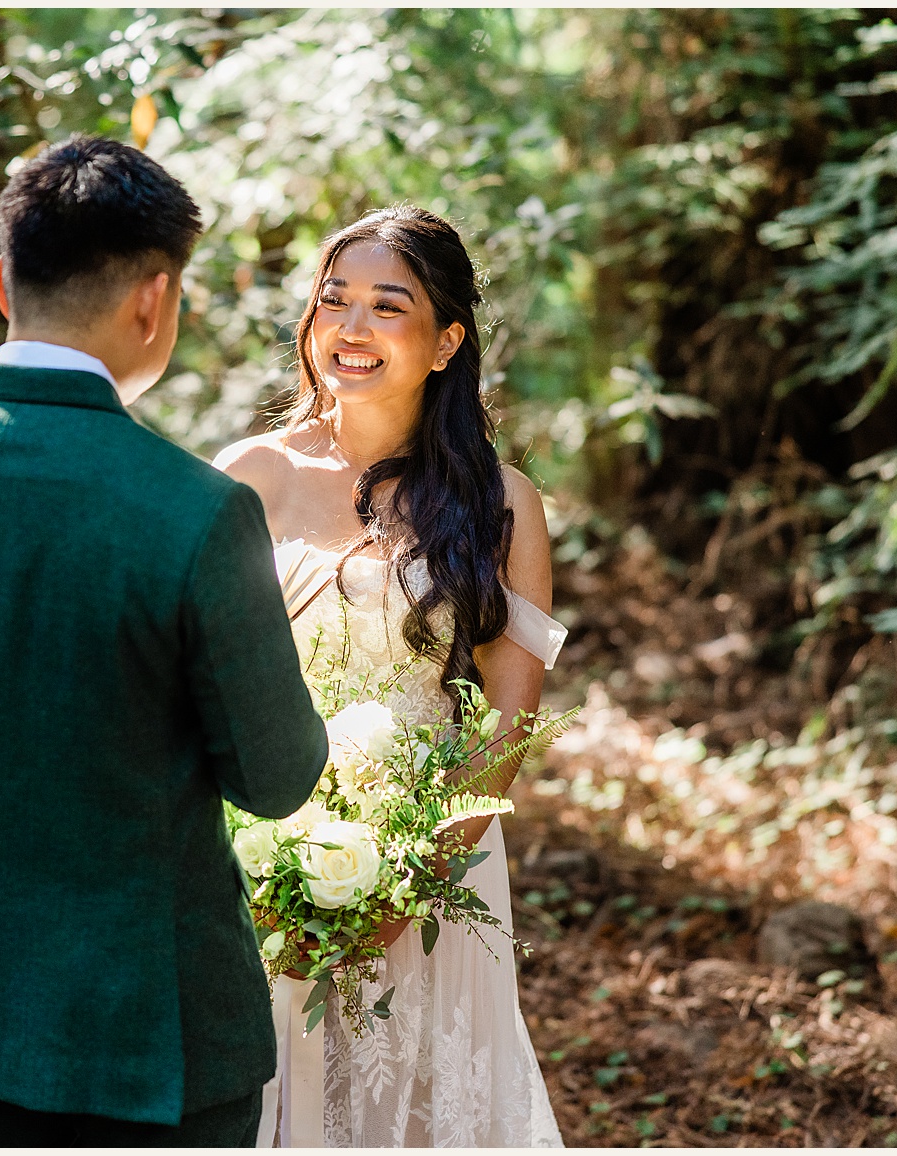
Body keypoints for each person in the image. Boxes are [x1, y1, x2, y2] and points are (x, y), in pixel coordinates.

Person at [0, 135, 330, 1145]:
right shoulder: (197, 511)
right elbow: (276, 777)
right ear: (155, 298)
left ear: (4, 281)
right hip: (154, 1038)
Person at [216, 205, 566, 1147]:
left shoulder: (500, 502)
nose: (351, 328)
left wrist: (408, 884)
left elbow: (507, 727)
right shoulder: (244, 477)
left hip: (430, 864)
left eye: (386, 306)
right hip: (256, 861)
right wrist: (241, 853)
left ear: (447, 340)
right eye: (333, 301)